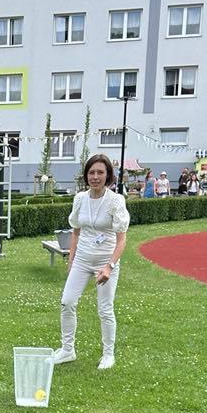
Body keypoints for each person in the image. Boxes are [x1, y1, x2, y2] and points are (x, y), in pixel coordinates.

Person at [52, 153, 130, 370]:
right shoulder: (80, 199)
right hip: (82, 259)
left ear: (108, 175)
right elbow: (76, 232)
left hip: (106, 261)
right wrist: (71, 260)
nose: (95, 177)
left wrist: (109, 266)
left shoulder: (115, 201)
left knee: (105, 308)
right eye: (91, 172)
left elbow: (122, 240)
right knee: (67, 302)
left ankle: (108, 354)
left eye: (100, 172)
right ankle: (67, 350)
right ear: (86, 175)